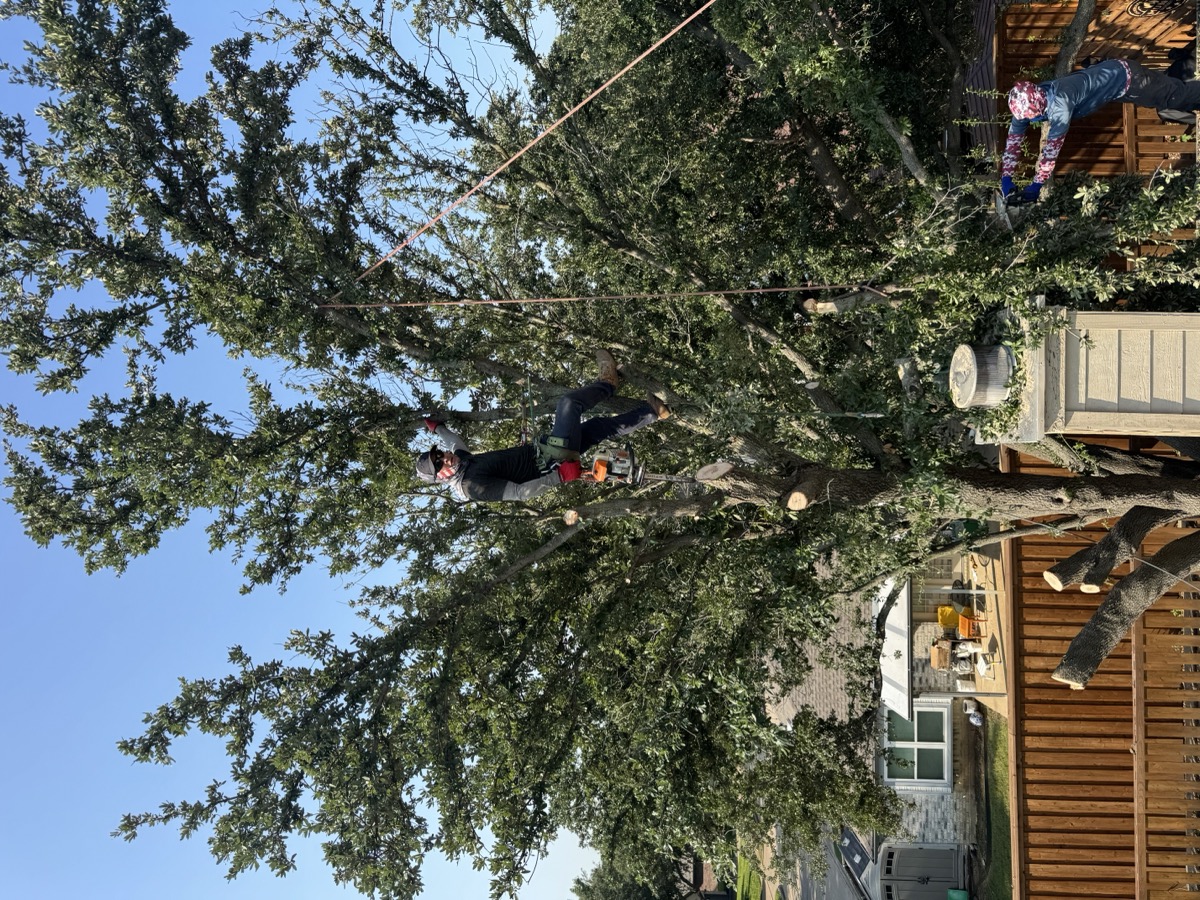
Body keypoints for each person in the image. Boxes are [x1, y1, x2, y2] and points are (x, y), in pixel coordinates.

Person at [415, 349, 670, 502]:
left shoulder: (462, 462)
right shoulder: (471, 486)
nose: (445, 457)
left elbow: (455, 443)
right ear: (440, 477)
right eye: (440, 462)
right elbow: (519, 493)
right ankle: (608, 383)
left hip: (546, 451)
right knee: (569, 404)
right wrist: (560, 477)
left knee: (599, 427)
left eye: (440, 454)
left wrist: (437, 428)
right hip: (552, 463)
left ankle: (654, 412)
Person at [1001, 58, 1200, 203]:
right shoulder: (1030, 99)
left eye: (1030, 118)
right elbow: (1013, 140)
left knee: (1173, 97)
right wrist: (1006, 178)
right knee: (1172, 93)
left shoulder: (1060, 103)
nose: (1028, 121)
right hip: (1119, 80)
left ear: (1039, 109)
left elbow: (1052, 150)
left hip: (1129, 80)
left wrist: (1037, 185)